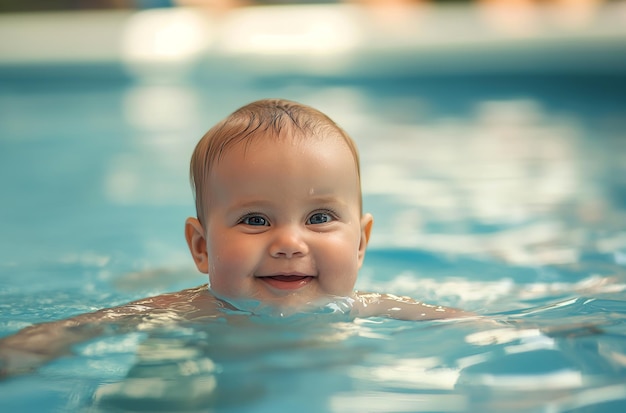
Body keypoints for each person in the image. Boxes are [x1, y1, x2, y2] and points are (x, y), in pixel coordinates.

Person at [0, 98, 465, 378]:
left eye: (319, 217)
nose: (289, 243)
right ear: (201, 247)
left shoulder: (375, 307)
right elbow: (75, 329)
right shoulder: (187, 311)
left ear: (361, 243)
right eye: (256, 221)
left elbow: (471, 327)